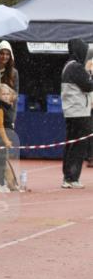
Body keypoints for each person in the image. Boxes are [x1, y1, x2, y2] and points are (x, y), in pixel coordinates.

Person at [60, 38, 93, 189]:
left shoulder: (67, 66)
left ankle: (68, 177)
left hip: (71, 111)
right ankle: (72, 178)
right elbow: (88, 85)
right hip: (79, 112)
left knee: (71, 144)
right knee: (79, 145)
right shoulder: (77, 67)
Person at [0, 40, 20, 191]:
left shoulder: (14, 73)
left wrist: (6, 94)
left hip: (6, 114)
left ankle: (0, 182)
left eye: (7, 54)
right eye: (1, 53)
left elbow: (16, 96)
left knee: (2, 151)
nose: (4, 56)